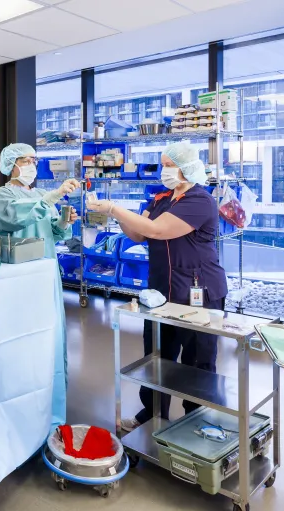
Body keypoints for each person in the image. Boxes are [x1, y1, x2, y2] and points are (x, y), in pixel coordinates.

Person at [88, 141, 228, 432]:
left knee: (196, 361)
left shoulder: (200, 200)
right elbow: (139, 234)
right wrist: (115, 215)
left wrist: (115, 206)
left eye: (168, 165)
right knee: (157, 358)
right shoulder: (162, 198)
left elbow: (157, 230)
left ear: (186, 168)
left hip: (197, 292)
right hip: (160, 292)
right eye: (162, 165)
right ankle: (151, 414)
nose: (163, 171)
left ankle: (197, 421)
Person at [0, 143, 80, 425]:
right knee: (23, 333)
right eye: (25, 160)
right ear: (11, 164)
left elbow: (53, 231)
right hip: (20, 274)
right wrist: (53, 196)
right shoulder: (3, 194)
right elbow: (15, 218)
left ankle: (48, 401)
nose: (31, 164)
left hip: (46, 269)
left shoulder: (41, 193)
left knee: (49, 332)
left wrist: (65, 223)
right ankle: (19, 404)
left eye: (34, 159)